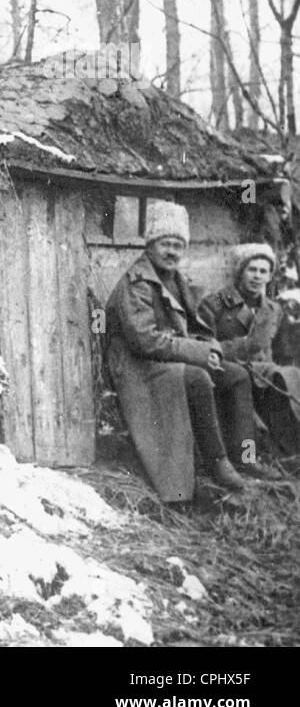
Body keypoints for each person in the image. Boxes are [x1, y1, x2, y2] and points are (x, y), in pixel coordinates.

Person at [104, 201, 267, 500]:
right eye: (166, 244)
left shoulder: (177, 280)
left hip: (168, 358)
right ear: (150, 245)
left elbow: (194, 327)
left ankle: (244, 456)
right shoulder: (137, 284)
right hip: (138, 367)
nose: (173, 252)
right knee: (197, 378)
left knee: (236, 376)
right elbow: (144, 341)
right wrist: (197, 353)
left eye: (178, 245)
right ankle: (216, 462)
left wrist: (209, 347)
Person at [197, 243, 300, 464]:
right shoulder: (214, 304)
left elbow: (281, 352)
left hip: (265, 380)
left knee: (289, 381)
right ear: (240, 271)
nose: (257, 276)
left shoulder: (274, 310)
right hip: (230, 376)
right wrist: (244, 346)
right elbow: (203, 344)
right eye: (251, 269)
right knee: (249, 421)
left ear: (270, 276)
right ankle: (247, 459)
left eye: (263, 271)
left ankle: (287, 456)